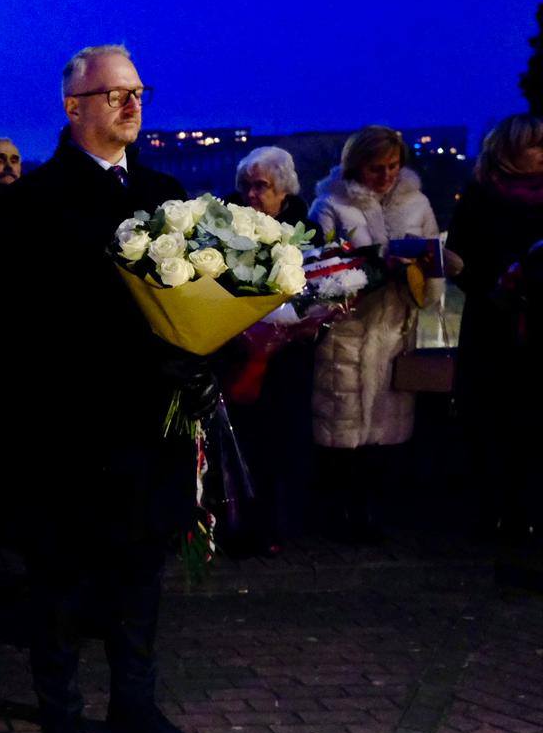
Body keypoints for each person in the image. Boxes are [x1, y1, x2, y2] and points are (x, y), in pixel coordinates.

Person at [0, 44, 202, 733]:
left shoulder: (168, 194)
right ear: (74, 106)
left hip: (153, 421)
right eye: (115, 94)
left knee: (142, 572)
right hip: (69, 429)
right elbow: (16, 324)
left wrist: (199, 358)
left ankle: (134, 703)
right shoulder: (33, 202)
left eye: (138, 90)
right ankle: (62, 719)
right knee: (63, 581)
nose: (132, 104)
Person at [310, 125, 441, 542]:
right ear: (355, 166)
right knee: (342, 431)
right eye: (376, 168)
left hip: (393, 331)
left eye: (393, 166)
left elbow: (433, 283)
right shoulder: (330, 204)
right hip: (346, 333)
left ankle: (374, 514)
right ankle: (340, 515)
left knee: (387, 433)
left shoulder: (418, 204)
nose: (386, 175)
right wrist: (377, 266)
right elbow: (318, 273)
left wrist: (429, 269)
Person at [218, 147, 320, 553]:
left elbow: (322, 289)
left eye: (261, 186)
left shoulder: (308, 232)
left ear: (284, 190)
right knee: (241, 442)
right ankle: (238, 525)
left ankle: (275, 526)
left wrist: (302, 327)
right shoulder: (225, 227)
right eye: (246, 185)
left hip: (288, 360)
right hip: (238, 354)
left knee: (282, 443)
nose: (251, 194)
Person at [448, 114, 543, 541]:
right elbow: (460, 260)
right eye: (535, 145)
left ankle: (528, 508)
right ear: (509, 151)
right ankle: (492, 508)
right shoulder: (480, 196)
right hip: (492, 321)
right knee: (491, 415)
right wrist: (498, 286)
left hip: (536, 324)